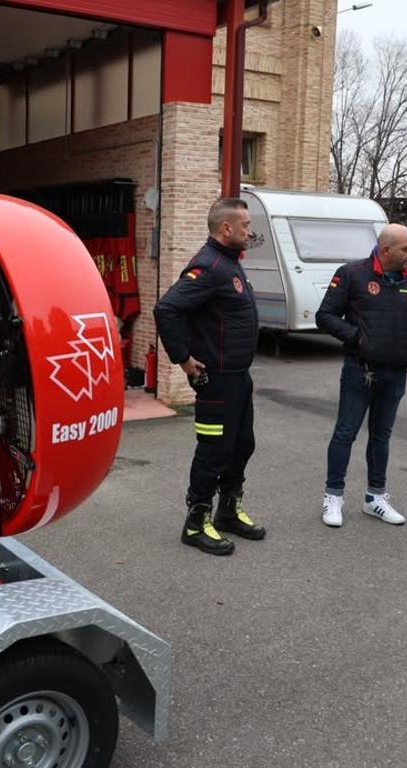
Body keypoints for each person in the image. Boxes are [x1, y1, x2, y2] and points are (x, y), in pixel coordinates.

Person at [153, 197, 266, 556]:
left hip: (238, 378)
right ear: (226, 228)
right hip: (216, 381)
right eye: (245, 225)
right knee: (213, 451)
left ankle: (227, 511)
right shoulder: (208, 266)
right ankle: (195, 522)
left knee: (241, 445)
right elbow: (166, 309)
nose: (250, 231)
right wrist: (184, 359)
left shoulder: (230, 264)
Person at [314, 223, 407, 528]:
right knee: (345, 433)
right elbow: (324, 316)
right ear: (385, 250)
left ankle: (375, 498)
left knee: (382, 436)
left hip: (396, 373)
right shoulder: (352, 274)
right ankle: (334, 497)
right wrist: (358, 339)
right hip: (359, 372)